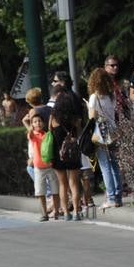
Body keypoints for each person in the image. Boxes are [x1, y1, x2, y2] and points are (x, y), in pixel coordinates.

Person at [48, 71, 87, 219]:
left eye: (56, 81)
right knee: (74, 182)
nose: (54, 83)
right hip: (73, 147)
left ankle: (66, 213)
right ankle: (77, 211)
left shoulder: (54, 114)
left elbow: (50, 129)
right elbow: (79, 125)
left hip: (59, 150)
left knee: (62, 183)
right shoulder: (75, 100)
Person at [86, 68, 123, 208]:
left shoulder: (94, 97)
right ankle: (118, 197)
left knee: (105, 166)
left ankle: (111, 198)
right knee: (114, 165)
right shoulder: (111, 95)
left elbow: (91, 117)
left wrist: (89, 107)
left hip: (101, 134)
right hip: (113, 132)